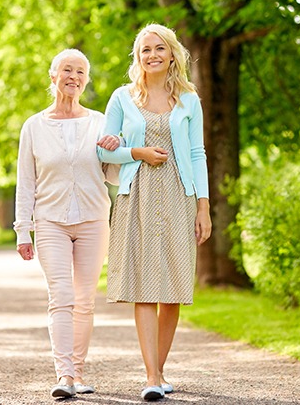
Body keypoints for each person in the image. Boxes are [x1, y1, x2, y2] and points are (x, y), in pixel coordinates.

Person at [97, 24, 211, 401]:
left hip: (179, 195)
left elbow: (197, 153)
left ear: (172, 53)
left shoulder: (189, 99)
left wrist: (203, 206)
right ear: (138, 57)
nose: (152, 55)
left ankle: (158, 370)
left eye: (159, 48)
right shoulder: (122, 98)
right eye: (145, 50)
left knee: (173, 289)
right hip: (138, 195)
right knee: (145, 288)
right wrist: (136, 152)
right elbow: (104, 150)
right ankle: (151, 376)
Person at [13, 48, 120, 399]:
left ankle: (78, 373)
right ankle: (64, 376)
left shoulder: (100, 122)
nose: (73, 76)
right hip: (50, 222)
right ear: (53, 76)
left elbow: (114, 176)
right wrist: (22, 229)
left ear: (86, 80)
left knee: (85, 300)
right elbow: (26, 182)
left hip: (92, 220)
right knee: (60, 296)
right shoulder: (34, 126)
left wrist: (116, 147)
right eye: (67, 70)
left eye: (80, 72)